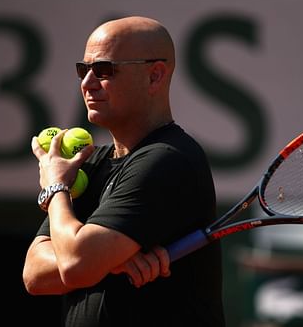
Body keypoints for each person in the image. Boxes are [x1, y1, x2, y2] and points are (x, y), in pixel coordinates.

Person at [22, 16, 226, 327]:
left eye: (104, 70)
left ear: (154, 75)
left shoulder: (168, 159)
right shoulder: (91, 162)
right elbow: (34, 274)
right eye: (83, 70)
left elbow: (75, 265)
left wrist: (54, 189)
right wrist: (112, 262)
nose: (87, 83)